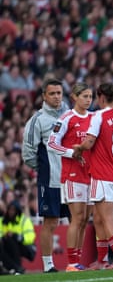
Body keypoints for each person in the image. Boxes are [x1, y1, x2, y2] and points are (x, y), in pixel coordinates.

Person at [73, 83, 113, 270]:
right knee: (98, 217)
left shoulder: (98, 116)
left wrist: (79, 148)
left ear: (101, 97)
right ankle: (102, 260)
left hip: (101, 173)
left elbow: (89, 141)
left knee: (106, 217)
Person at [22, 78, 70, 273]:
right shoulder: (37, 121)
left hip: (72, 179)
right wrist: (45, 169)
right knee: (51, 222)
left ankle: (76, 262)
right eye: (52, 93)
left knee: (79, 219)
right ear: (44, 96)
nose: (57, 97)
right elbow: (28, 154)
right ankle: (48, 264)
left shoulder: (70, 116)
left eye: (59, 93)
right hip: (50, 180)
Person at [47, 82, 94, 272]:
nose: (88, 100)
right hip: (72, 174)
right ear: (74, 97)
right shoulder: (67, 118)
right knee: (77, 218)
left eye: (90, 97)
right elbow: (52, 143)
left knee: (85, 219)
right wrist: (69, 152)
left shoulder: (94, 117)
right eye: (85, 96)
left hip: (91, 174)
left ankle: (78, 261)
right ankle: (71, 263)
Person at [0, 201, 36, 275]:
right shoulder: (2, 221)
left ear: (17, 210)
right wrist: (4, 236)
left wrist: (17, 236)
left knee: (12, 239)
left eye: (13, 210)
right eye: (10, 209)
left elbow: (30, 237)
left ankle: (17, 267)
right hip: (6, 245)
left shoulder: (24, 220)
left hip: (26, 246)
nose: (11, 212)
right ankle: (16, 268)